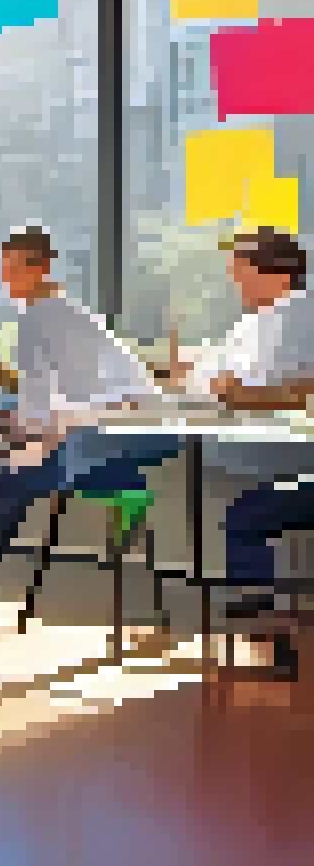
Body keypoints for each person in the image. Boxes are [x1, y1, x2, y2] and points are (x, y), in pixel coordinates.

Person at [0, 227, 180, 634]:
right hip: (120, 436)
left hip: (121, 442)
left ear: (41, 269)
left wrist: (18, 433)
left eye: (14, 269)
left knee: (7, 487)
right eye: (4, 269)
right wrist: (15, 428)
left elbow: (61, 406)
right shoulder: (59, 313)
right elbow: (59, 400)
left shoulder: (43, 318)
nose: (7, 279)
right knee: (6, 480)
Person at [164, 229, 314, 622]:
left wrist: (231, 390)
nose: (234, 282)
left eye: (242, 272)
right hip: (255, 450)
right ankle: (258, 615)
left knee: (239, 512)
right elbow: (213, 379)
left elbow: (287, 390)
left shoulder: (298, 313)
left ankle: (263, 619)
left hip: (285, 455)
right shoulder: (257, 320)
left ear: (278, 275)